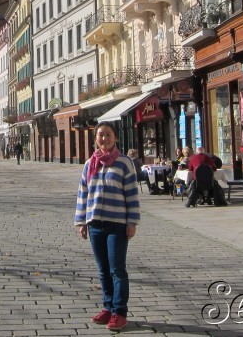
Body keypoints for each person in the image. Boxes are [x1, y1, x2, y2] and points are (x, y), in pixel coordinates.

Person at [75, 122, 140, 332]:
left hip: (117, 224)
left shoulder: (124, 163)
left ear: (115, 138)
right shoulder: (90, 163)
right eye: (101, 135)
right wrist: (82, 221)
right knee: (103, 271)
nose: (104, 138)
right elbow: (83, 194)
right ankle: (108, 306)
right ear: (96, 138)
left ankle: (119, 312)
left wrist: (132, 222)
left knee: (117, 270)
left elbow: (131, 194)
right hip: (95, 223)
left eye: (108, 135)